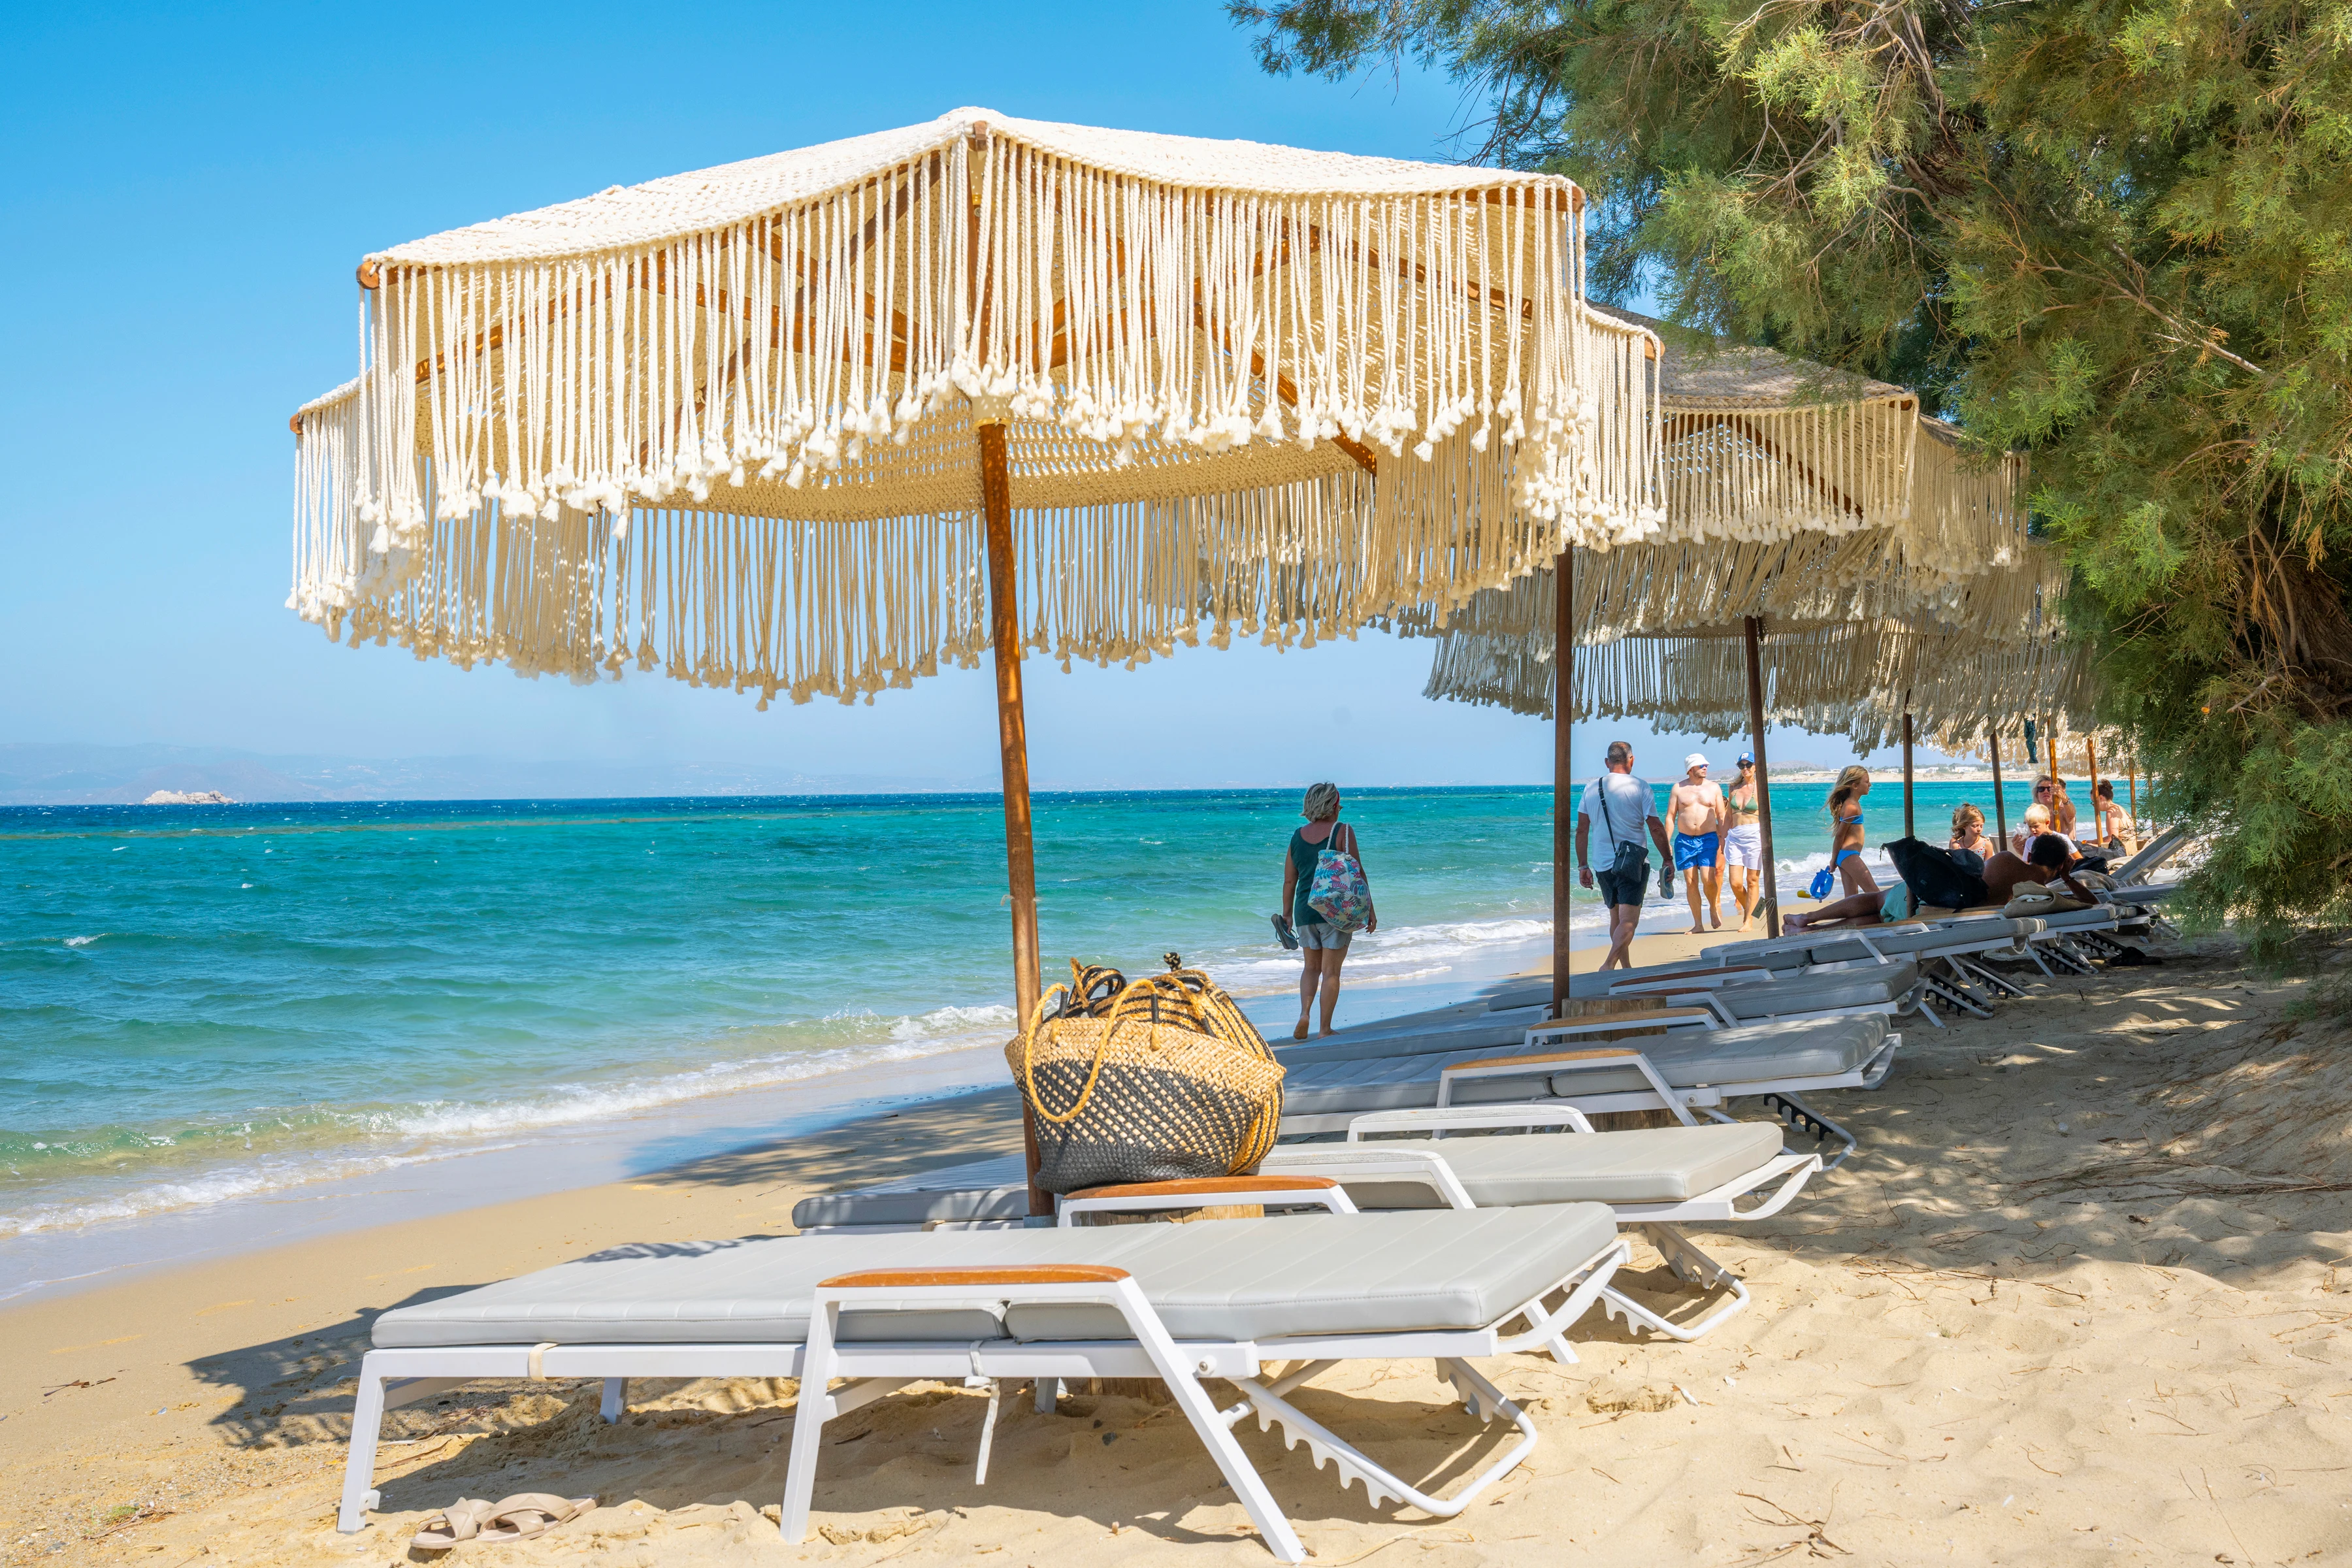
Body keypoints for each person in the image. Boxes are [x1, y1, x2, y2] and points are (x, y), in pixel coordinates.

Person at [1279, 781, 1377, 1039]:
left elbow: (1290, 880)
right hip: (1336, 910)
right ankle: (1324, 1029)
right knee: (1331, 972)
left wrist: (1287, 914)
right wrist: (1370, 909)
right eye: (1339, 803)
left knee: (1311, 968)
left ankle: (1304, 1014)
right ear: (1333, 805)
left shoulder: (1297, 836)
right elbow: (1357, 873)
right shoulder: (1342, 831)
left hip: (1304, 911)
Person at [1575, 740, 1674, 971]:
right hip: (1634, 861)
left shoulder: (1591, 787)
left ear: (1607, 762)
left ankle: (1626, 968)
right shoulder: (1641, 787)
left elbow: (1582, 830)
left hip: (1602, 863)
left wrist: (1583, 866)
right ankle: (1608, 965)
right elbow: (1656, 828)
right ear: (1631, 760)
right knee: (1629, 921)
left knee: (1616, 919)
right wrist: (1668, 859)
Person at [1784, 765, 1888, 932]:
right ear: (1854, 785)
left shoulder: (1851, 804)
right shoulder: (1851, 806)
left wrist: (1837, 859)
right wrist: (1833, 860)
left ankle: (1848, 931)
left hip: (1846, 856)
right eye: (1867, 782)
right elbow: (1840, 836)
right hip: (1849, 856)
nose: (1870, 785)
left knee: (1852, 901)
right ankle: (1887, 924)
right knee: (1876, 896)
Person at [1667, 753, 1729, 934]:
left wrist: (1724, 838)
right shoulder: (1678, 789)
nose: (1705, 768)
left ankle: (1712, 906)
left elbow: (1722, 815)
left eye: (1706, 765)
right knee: (1690, 881)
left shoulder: (1714, 788)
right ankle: (1698, 924)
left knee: (1708, 879)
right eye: (1701, 765)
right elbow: (1671, 816)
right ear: (1690, 769)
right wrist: (1667, 842)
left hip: (1708, 838)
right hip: (1685, 840)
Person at [1982, 829, 2104, 906]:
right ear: (2061, 866)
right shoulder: (2041, 895)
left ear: (2029, 856)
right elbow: (2093, 902)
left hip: (1968, 915)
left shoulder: (2003, 858)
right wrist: (2066, 877)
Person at [1722, 752, 1765, 933]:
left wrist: (1768, 843)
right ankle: (1756, 908)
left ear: (1756, 766)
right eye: (1742, 765)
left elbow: (1767, 817)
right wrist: (1720, 838)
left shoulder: (1761, 788)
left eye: (1749, 765)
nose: (1746, 768)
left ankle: (1749, 921)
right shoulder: (1733, 788)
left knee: (1752, 880)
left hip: (1755, 835)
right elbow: (1727, 817)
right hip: (1735, 837)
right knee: (1735, 883)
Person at [2089, 779, 2137, 853]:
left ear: (2101, 798)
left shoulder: (2111, 812)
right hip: (2130, 845)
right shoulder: (2118, 808)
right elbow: (2113, 836)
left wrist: (2091, 846)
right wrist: (2095, 841)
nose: (2094, 806)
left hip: (2123, 849)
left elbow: (2113, 839)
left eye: (2093, 802)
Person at [1948, 803, 1996, 868]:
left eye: (1982, 826)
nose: (1979, 829)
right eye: (1975, 826)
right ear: (1964, 826)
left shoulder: (1986, 845)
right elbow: (1954, 868)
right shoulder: (1957, 845)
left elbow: (1989, 868)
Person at [2034, 774, 2078, 840]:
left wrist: (2064, 797)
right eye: (2041, 789)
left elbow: (2071, 815)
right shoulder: (2033, 813)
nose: (2046, 791)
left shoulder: (2062, 810)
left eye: (2050, 789)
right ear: (2037, 794)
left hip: (2064, 848)